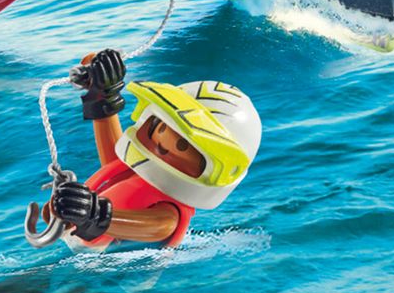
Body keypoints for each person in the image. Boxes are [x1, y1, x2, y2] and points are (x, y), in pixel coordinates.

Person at [43, 50, 261, 250]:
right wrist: (102, 96)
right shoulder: (140, 173)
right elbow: (113, 164)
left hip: (111, 275)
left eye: (183, 144)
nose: (163, 141)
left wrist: (94, 216)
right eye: (162, 126)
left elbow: (158, 227)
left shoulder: (169, 214)